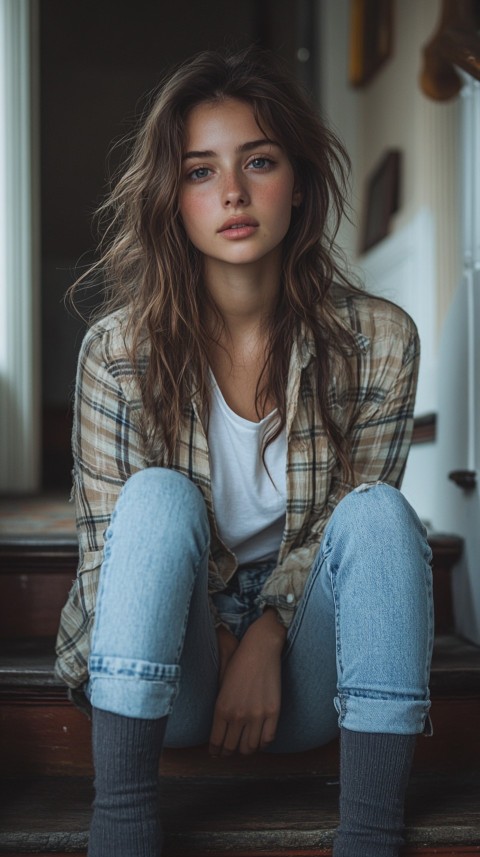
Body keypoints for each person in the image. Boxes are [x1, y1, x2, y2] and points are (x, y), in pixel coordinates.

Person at [54, 46, 433, 857]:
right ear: (172, 198)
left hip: (309, 672)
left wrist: (267, 633)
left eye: (258, 161)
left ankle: (371, 836)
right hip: (173, 671)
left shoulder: (381, 341)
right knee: (155, 498)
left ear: (296, 182)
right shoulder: (117, 352)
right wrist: (225, 644)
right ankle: (121, 829)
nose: (231, 192)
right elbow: (104, 562)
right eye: (200, 171)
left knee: (381, 515)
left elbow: (353, 531)